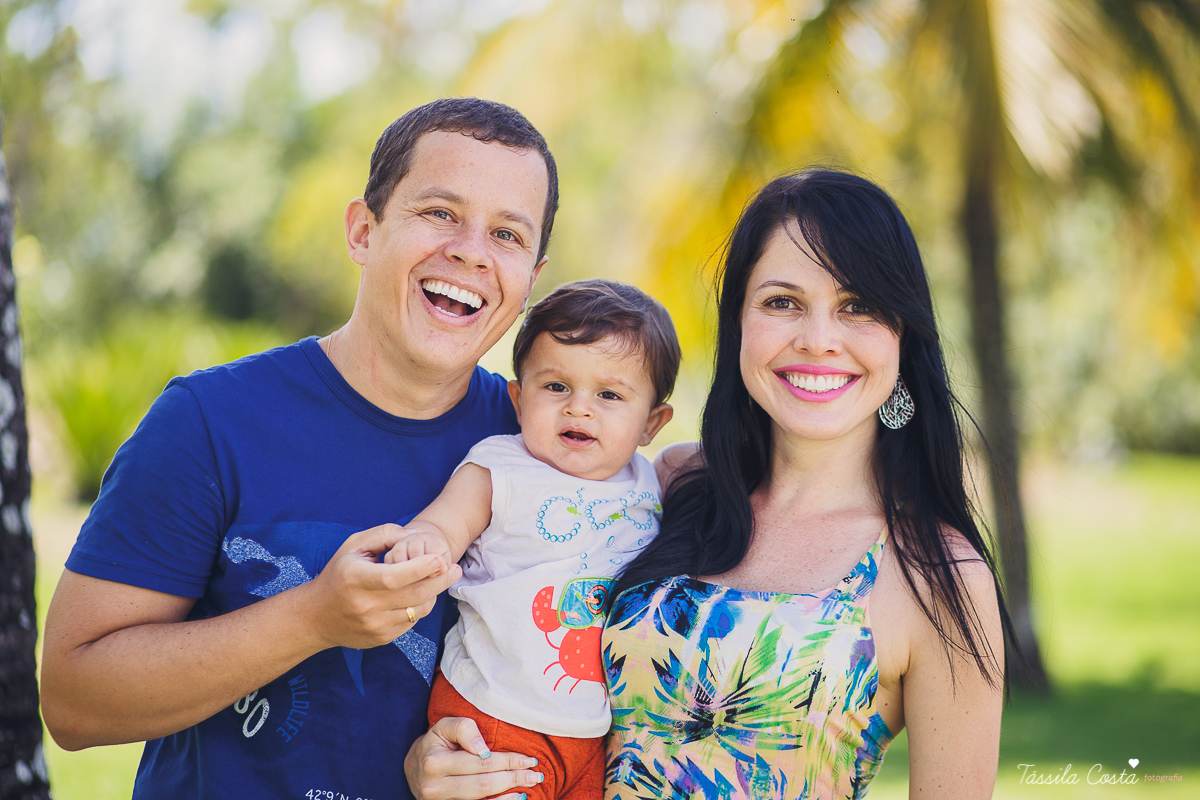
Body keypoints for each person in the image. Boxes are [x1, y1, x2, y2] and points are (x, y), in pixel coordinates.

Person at [40, 98, 553, 800]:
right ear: (363, 231)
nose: (470, 250)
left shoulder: (545, 448)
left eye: (508, 234)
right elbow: (73, 702)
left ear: (532, 279)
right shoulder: (209, 422)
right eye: (439, 213)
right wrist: (313, 617)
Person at [601, 170, 1009, 799]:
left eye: (859, 306)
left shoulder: (938, 575)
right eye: (782, 302)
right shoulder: (668, 484)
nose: (818, 340)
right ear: (739, 322)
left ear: (903, 335)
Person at [388, 279, 680, 800]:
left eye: (610, 395)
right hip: (495, 714)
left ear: (651, 423)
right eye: (556, 387)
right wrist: (423, 546)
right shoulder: (502, 465)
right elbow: (444, 524)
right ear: (518, 400)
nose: (579, 409)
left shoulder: (648, 481)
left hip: (594, 734)